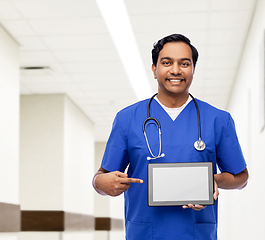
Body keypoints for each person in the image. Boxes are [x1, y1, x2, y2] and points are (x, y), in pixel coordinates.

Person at [93, 33, 249, 240]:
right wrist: (101, 184)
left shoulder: (218, 119)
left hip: (196, 234)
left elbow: (241, 178)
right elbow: (101, 176)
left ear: (193, 70)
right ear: (154, 70)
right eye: (167, 62)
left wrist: (208, 181)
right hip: (145, 233)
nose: (175, 70)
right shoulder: (127, 119)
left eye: (184, 63)